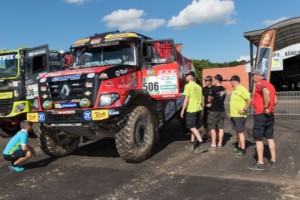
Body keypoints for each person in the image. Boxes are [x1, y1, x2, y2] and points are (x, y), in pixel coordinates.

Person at [248, 69, 277, 170]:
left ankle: (260, 162)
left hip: (261, 114)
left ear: (258, 76)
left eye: (253, 76)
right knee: (270, 137)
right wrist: (269, 107)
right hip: (270, 114)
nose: (252, 78)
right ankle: (273, 160)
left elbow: (266, 92)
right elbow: (276, 100)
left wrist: (265, 107)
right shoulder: (271, 85)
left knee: (258, 138)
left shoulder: (259, 84)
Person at [181, 71, 208, 153]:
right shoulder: (199, 87)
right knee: (194, 127)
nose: (186, 77)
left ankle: (201, 142)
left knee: (191, 127)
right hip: (198, 108)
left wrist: (182, 110)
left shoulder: (188, 86)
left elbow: (186, 99)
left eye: (187, 76)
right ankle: (192, 143)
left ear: (191, 77)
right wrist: (202, 109)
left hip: (191, 109)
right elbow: (202, 99)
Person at [229, 75, 252, 158]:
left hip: (240, 116)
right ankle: (239, 147)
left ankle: (243, 150)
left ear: (234, 81)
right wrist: (231, 113)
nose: (230, 82)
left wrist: (244, 109)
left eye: (230, 81)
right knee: (237, 132)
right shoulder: (235, 90)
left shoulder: (242, 89)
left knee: (240, 132)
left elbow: (249, 99)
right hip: (234, 115)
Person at [207, 74, 226, 149]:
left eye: (214, 80)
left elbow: (209, 99)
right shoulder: (224, 89)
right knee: (220, 128)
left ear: (217, 80)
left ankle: (214, 143)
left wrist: (211, 99)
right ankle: (220, 143)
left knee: (213, 128)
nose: (213, 81)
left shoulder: (213, 89)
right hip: (221, 110)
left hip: (214, 110)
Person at [202, 75, 214, 142]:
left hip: (212, 109)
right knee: (205, 123)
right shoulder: (204, 89)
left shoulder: (214, 88)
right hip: (205, 109)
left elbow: (216, 98)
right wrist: (202, 106)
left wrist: (212, 104)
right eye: (205, 81)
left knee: (211, 124)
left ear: (210, 81)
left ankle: (212, 137)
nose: (206, 82)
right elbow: (203, 98)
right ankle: (207, 137)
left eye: (207, 81)